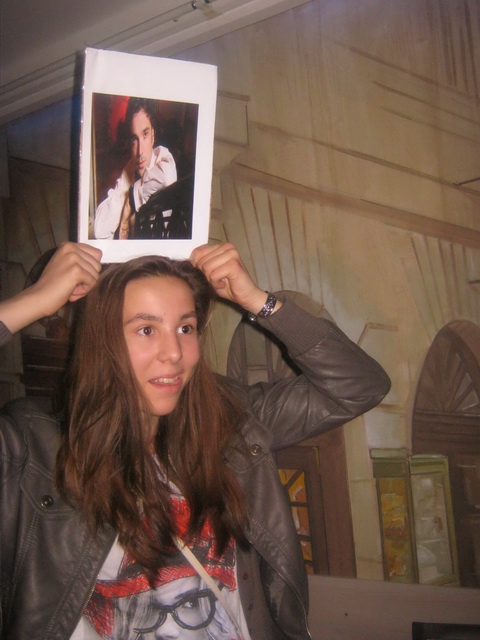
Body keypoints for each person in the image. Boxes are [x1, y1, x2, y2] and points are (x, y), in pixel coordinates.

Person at [0, 241, 391, 639]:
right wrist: (32, 302)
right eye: (146, 329)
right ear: (100, 341)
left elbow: (360, 386)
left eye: (185, 328)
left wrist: (259, 302)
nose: (174, 353)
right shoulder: (30, 447)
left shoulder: (228, 423)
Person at [94, 97, 177, 240]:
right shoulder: (130, 169)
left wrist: (130, 200)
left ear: (153, 135)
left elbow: (166, 177)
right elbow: (100, 231)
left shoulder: (162, 158)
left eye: (145, 135)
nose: (139, 151)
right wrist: (125, 197)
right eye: (134, 139)